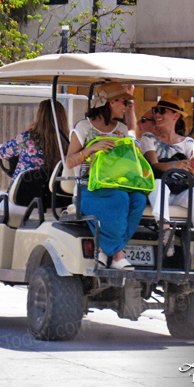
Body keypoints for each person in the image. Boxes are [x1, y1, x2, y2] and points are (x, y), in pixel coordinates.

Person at [66, 82, 146, 270]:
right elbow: (69, 162)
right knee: (120, 198)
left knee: (139, 200)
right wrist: (91, 149)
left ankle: (104, 250)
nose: (126, 107)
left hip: (116, 185)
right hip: (89, 187)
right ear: (111, 102)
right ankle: (118, 255)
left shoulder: (122, 130)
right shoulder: (84, 128)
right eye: (124, 102)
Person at [140, 93, 194, 272]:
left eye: (162, 111)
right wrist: (175, 164)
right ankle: (166, 234)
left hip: (179, 191)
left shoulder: (188, 142)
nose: (157, 114)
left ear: (176, 116)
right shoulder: (148, 139)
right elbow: (154, 164)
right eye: (156, 110)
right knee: (159, 185)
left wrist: (193, 166)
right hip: (159, 190)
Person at [0, 100, 69, 213]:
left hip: (22, 204)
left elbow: (3, 153)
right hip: (56, 207)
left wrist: (24, 132)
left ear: (39, 117)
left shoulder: (27, 138)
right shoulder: (68, 143)